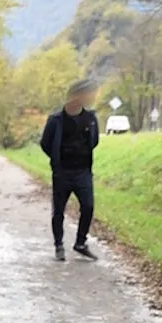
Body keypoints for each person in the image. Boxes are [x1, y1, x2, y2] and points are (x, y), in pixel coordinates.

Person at [39, 78, 101, 261]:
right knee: (59, 210)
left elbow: (95, 141)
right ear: (75, 95)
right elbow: (45, 143)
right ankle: (59, 245)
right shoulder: (56, 120)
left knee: (88, 206)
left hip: (83, 172)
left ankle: (80, 242)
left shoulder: (90, 119)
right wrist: (57, 160)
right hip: (62, 173)